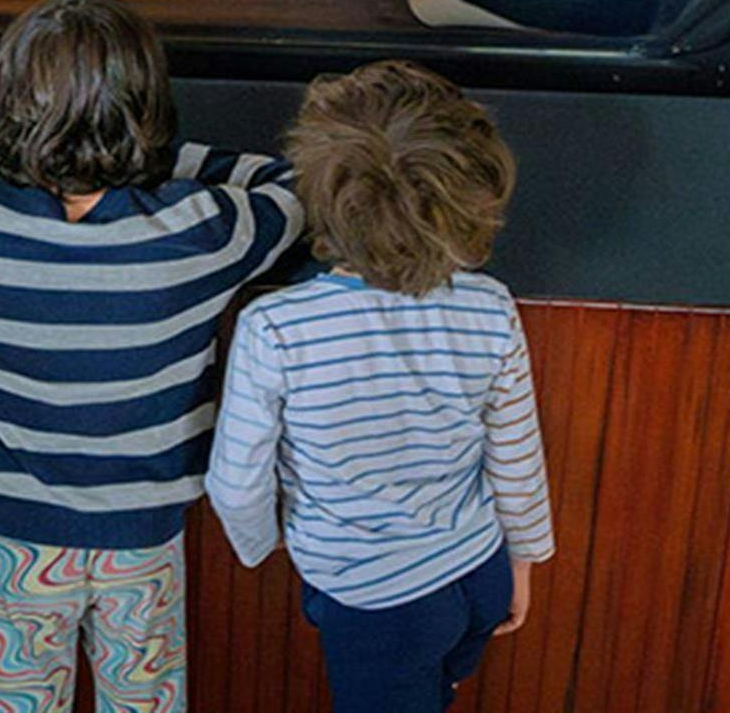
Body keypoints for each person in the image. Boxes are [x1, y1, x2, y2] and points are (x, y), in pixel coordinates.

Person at [0, 0, 303, 713]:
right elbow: (293, 186)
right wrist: (157, 163)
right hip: (143, 541)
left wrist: (0, 156)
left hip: (11, 536)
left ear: (9, 109)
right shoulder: (203, 231)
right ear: (148, 106)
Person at [205, 62, 555, 713]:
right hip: (478, 571)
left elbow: (235, 480)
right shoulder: (490, 307)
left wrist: (262, 545)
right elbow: (517, 456)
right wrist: (524, 561)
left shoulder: (276, 328)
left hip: (377, 601)